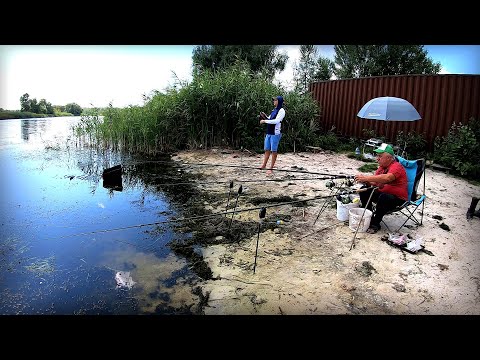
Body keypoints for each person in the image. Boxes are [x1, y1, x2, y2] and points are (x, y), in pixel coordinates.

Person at [354, 143, 408, 234]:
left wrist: (366, 178)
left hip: (397, 199)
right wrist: (365, 181)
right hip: (382, 194)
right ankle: (368, 216)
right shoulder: (381, 168)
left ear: (389, 158)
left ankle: (376, 223)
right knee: (364, 190)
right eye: (377, 156)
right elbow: (375, 182)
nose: (377, 158)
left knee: (384, 197)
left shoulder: (397, 166)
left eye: (380, 156)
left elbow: (387, 178)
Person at [259, 95, 285, 174]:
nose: (274, 101)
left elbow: (276, 121)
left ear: (279, 101)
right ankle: (264, 165)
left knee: (274, 151)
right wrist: (264, 117)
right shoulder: (274, 110)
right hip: (269, 132)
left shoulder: (281, 111)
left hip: (275, 133)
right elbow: (269, 119)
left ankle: (271, 168)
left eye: (275, 100)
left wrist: (265, 121)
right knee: (267, 149)